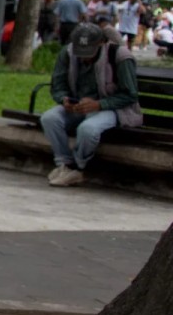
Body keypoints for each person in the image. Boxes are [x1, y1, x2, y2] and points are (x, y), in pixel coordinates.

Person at [42, 16, 143, 187]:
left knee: (88, 129)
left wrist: (99, 104)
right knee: (49, 118)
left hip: (112, 109)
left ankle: (77, 167)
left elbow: (130, 95)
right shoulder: (67, 53)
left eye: (89, 52)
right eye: (80, 52)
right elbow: (57, 85)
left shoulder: (120, 56)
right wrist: (64, 99)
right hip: (78, 106)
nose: (84, 58)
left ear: (101, 43)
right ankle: (64, 164)